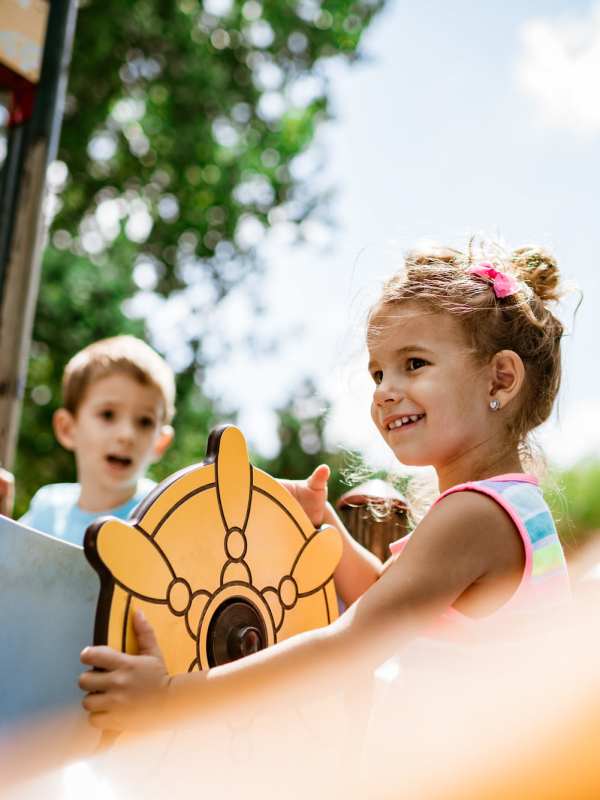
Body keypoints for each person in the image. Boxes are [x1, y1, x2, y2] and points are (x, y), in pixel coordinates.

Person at [79, 238, 570, 730]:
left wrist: (169, 696)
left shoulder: (475, 515)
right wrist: (324, 526)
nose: (384, 392)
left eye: (414, 363)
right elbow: (388, 596)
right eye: (378, 372)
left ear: (500, 381)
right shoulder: (511, 507)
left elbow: (350, 645)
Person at [5, 335, 175, 546]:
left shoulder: (166, 517)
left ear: (160, 442)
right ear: (67, 428)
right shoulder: (46, 508)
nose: (126, 435)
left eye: (145, 422)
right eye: (108, 415)